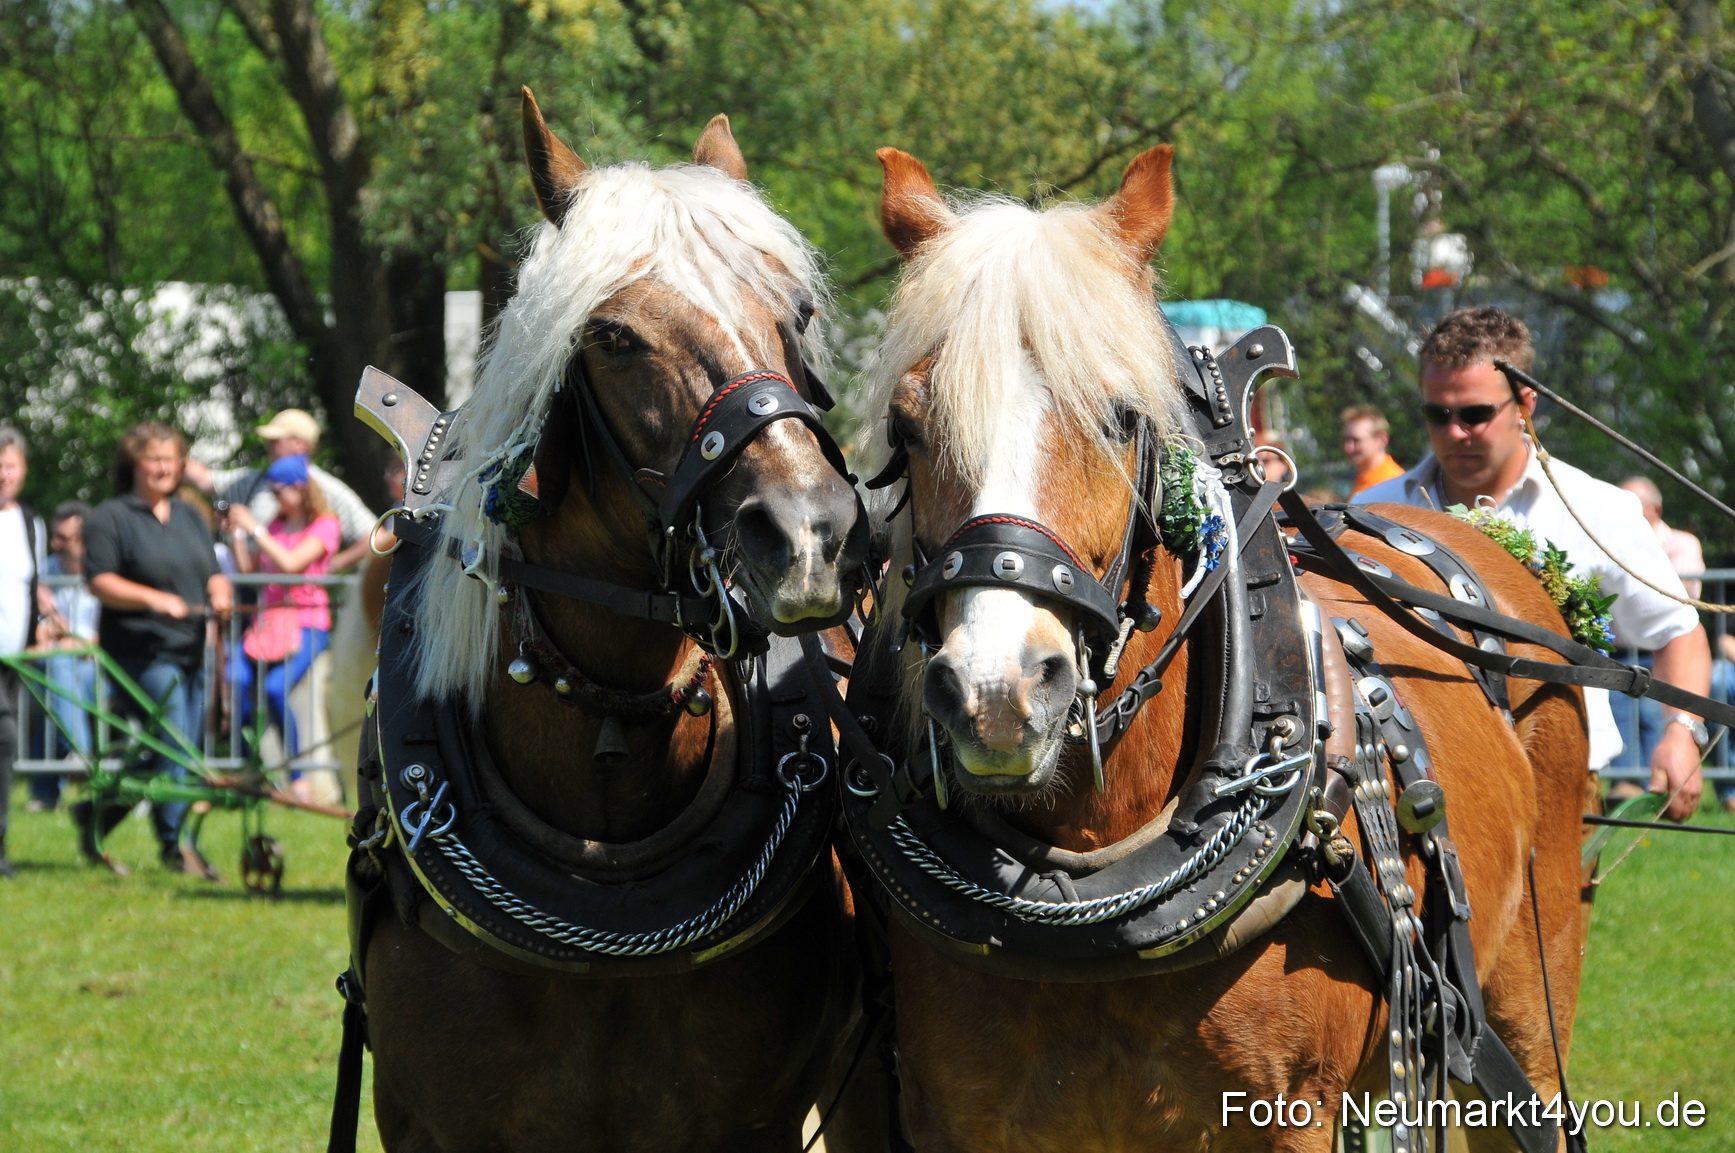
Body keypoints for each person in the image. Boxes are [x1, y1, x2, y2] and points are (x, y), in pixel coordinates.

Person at [1356, 306, 1712, 821]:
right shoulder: (1372, 511)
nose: (1455, 432)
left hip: (1557, 786)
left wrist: (1683, 732)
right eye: (1438, 414)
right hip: (1412, 781)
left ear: (1526, 403)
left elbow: (1677, 631)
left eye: (1475, 414)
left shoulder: (1596, 509)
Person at [79, 422, 232, 877]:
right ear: (134, 464)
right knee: (175, 745)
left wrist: (220, 591)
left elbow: (212, 570)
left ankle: (95, 813)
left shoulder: (189, 514)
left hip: (190, 650)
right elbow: (99, 581)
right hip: (139, 653)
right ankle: (177, 846)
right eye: (155, 459)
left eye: (172, 459)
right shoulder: (109, 517)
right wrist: (153, 599)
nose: (165, 468)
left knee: (170, 750)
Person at [224, 455, 340, 780]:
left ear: (299, 488)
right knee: (236, 679)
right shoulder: (275, 525)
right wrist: (237, 536)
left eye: (278, 491)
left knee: (275, 689)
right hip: (267, 625)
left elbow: (291, 564)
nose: (274, 498)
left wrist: (255, 528)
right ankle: (247, 769)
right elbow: (248, 570)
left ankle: (297, 778)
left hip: (308, 625)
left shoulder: (325, 524)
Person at [184, 408, 376, 572]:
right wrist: (171, 458)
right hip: (259, 598)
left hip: (304, 602)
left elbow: (375, 537)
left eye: (276, 440)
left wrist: (330, 567)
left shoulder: (328, 489)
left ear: (301, 444)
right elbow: (203, 479)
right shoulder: (258, 480)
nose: (268, 445)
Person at [29, 501, 101, 812]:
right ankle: (77, 756)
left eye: (64, 538)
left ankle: (49, 787)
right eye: (54, 536)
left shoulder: (103, 572)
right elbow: (39, 635)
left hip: (102, 670)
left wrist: (71, 641)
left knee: (54, 680)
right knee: (51, 681)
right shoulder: (45, 572)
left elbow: (108, 637)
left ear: (84, 540)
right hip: (59, 668)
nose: (56, 544)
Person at [0, 426, 45, 878]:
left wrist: (37, 631)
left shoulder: (29, 522)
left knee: (4, 745)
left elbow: (31, 585)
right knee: (4, 736)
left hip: (11, 659)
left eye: (9, 466)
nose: (3, 474)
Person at [1341, 404, 1405, 495]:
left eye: (1356, 440)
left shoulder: (1392, 483)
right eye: (1347, 440)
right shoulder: (1362, 479)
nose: (1348, 447)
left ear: (1381, 440)